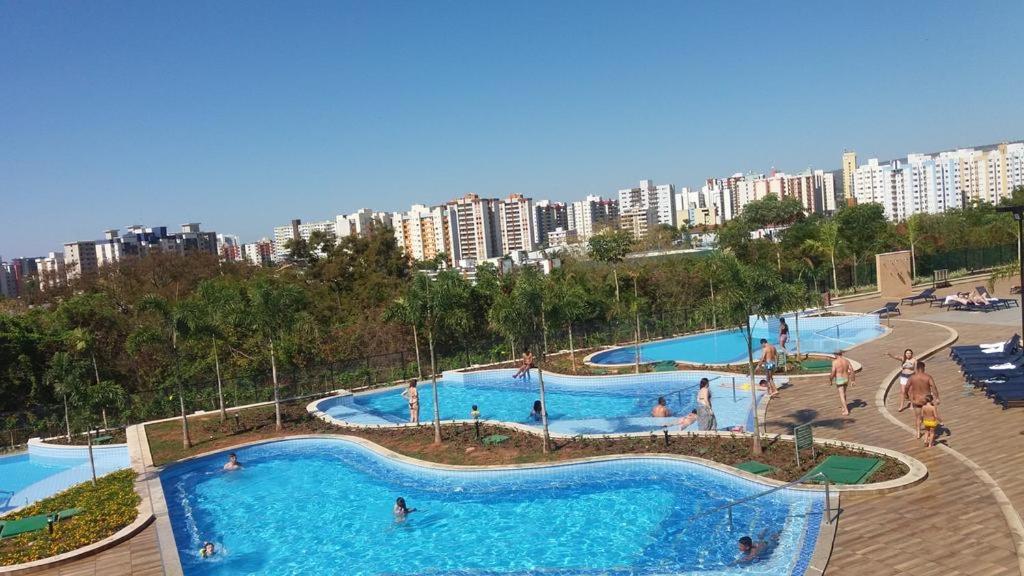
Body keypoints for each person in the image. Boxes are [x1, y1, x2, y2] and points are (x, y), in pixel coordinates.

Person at [905, 360, 940, 439]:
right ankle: (929, 433)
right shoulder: (928, 377)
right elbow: (934, 388)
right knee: (928, 416)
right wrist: (937, 398)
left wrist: (906, 396)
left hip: (916, 400)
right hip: (926, 399)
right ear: (923, 368)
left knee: (918, 417)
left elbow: (906, 387)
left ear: (916, 369)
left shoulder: (912, 377)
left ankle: (918, 433)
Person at [829, 350, 855, 416]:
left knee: (841, 395)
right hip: (846, 378)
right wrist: (853, 380)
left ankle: (846, 410)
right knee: (844, 393)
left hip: (839, 379)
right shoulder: (846, 361)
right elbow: (852, 370)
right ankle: (843, 407)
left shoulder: (835, 362)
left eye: (834, 354)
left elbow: (833, 372)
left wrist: (830, 380)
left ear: (836, 354)